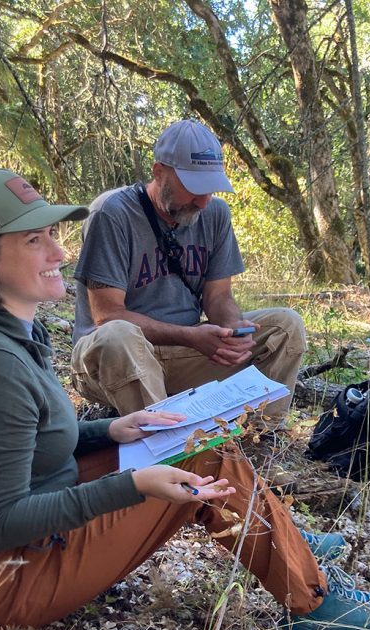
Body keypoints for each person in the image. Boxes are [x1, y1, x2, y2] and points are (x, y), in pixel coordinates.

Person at [0, 168, 370, 630]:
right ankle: (311, 600)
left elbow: (24, 444)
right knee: (203, 453)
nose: (60, 252)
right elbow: (3, 523)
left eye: (53, 233)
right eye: (34, 240)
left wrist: (110, 430)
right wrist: (136, 484)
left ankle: (283, 539)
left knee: (189, 436)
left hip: (27, 537)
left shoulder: (9, 335)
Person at [70, 120, 305, 425]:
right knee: (118, 336)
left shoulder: (215, 214)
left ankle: (261, 438)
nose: (204, 201)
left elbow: (218, 297)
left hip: (184, 355)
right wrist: (191, 337)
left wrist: (234, 331)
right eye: (194, 188)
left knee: (286, 326)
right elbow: (107, 316)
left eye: (211, 188)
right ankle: (170, 452)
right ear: (158, 173)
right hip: (112, 361)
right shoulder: (112, 213)